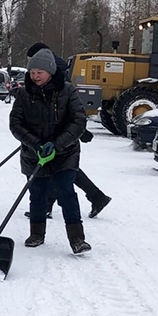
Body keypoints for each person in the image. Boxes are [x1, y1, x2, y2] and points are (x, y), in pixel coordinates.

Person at [10, 47, 91, 254]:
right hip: (34, 153)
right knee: (37, 194)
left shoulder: (67, 90)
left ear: (51, 72)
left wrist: (57, 144)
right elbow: (16, 124)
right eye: (32, 72)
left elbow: (78, 121)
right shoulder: (24, 93)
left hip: (65, 153)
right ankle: (37, 233)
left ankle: (77, 239)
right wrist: (35, 144)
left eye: (40, 72)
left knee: (66, 193)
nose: (35, 76)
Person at [23, 42, 112, 220]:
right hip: (55, 129)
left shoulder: (54, 73)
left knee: (59, 168)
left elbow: (65, 104)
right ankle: (97, 197)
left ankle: (47, 206)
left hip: (61, 131)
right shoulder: (56, 68)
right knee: (66, 169)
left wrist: (77, 129)